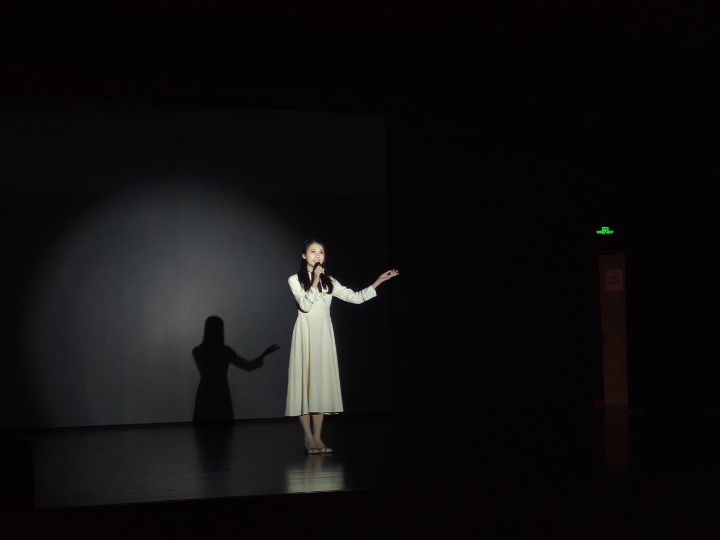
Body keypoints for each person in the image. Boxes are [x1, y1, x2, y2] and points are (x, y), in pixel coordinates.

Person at [285, 239, 399, 454]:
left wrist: (378, 282)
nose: (317, 255)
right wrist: (315, 280)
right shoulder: (295, 280)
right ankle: (308, 438)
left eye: (321, 252)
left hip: (324, 336)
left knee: (319, 386)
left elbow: (355, 298)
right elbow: (305, 306)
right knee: (304, 385)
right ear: (304, 256)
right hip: (305, 335)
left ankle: (318, 437)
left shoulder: (330, 282)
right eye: (312, 251)